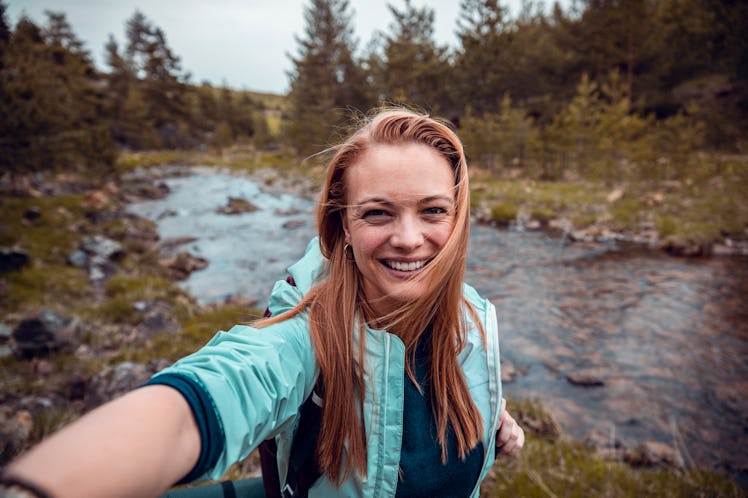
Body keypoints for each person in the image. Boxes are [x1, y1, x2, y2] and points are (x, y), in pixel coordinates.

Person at [1, 108, 524, 498]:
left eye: (432, 210)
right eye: (378, 214)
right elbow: (208, 400)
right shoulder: (305, 335)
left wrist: (494, 420)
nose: (409, 239)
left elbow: (452, 390)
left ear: (458, 220)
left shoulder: (472, 319)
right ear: (341, 227)